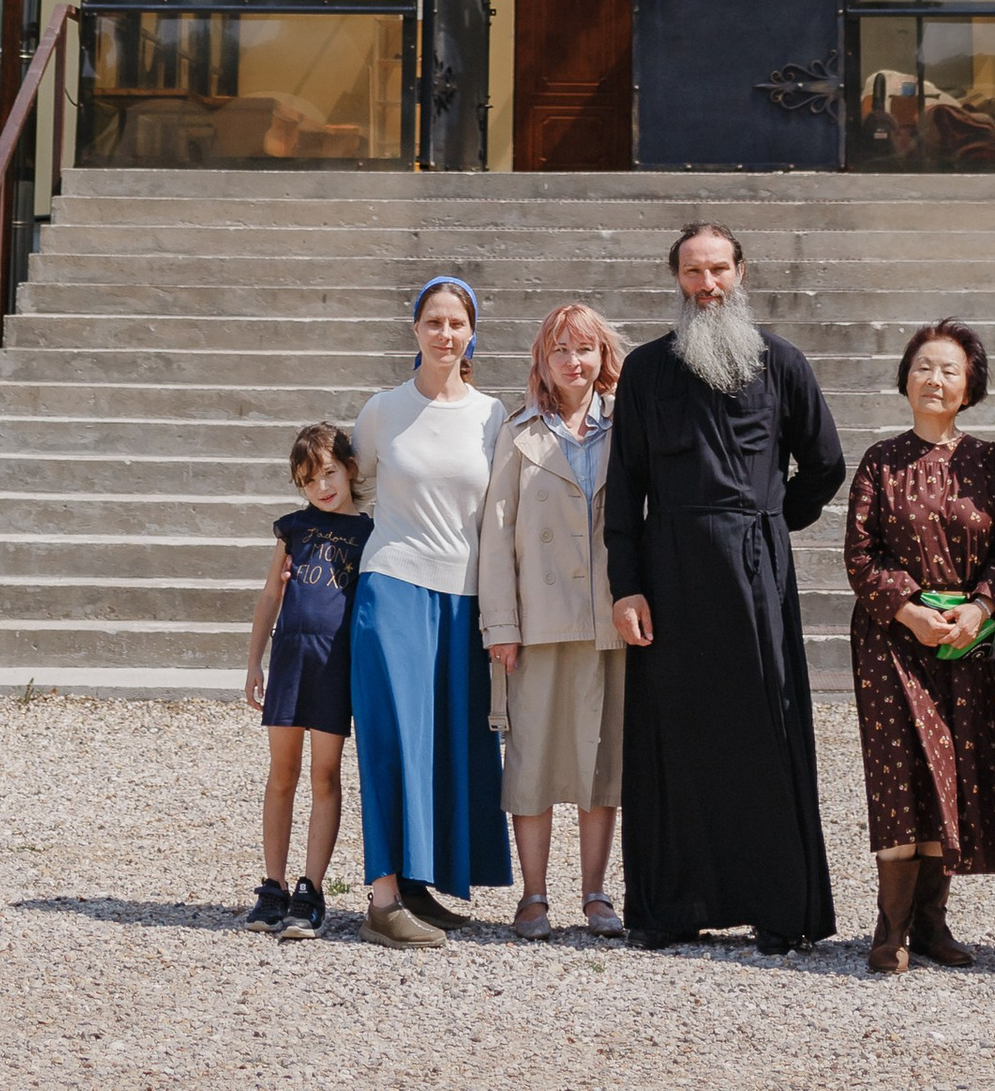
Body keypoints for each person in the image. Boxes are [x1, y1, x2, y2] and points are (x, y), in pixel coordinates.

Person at [606, 218, 845, 953]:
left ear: (741, 273)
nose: (706, 286)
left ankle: (779, 908)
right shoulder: (646, 370)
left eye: (718, 271)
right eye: (692, 273)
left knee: (764, 732)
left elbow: (826, 464)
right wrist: (627, 587)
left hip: (753, 571)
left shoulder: (782, 364)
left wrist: (771, 524)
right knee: (671, 737)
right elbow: (624, 490)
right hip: (670, 572)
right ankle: (672, 908)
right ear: (675, 280)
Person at [348, 275, 513, 949]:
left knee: (450, 744)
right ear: (414, 330)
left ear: (472, 333)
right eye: (434, 321)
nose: (445, 333)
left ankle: (422, 885)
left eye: (457, 323)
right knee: (394, 741)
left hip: (466, 595)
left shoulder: (493, 414)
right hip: (394, 587)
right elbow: (355, 487)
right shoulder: (383, 410)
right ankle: (384, 900)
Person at [843, 319, 995, 974]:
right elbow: (860, 552)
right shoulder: (880, 461)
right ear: (905, 378)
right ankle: (891, 928)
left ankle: (933, 923)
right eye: (922, 367)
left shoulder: (990, 464)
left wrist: (980, 608)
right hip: (893, 641)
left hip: (967, 644)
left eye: (948, 370)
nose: (933, 379)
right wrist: (909, 611)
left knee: (950, 776)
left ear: (969, 387)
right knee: (897, 776)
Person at [480, 302, 629, 940]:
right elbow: (496, 534)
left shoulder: (628, 428)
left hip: (606, 619)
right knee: (533, 758)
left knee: (601, 761)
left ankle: (596, 893)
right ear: (543, 359)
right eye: (561, 350)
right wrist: (501, 625)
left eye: (586, 350)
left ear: (603, 358)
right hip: (537, 622)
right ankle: (534, 895)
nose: (574, 362)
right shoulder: (518, 433)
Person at [240, 419, 371, 939]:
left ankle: (310, 890)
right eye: (310, 479)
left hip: (334, 667)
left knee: (325, 777)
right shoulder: (292, 528)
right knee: (282, 774)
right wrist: (254, 660)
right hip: (291, 661)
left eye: (330, 473)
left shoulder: (369, 533)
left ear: (350, 470)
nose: (323, 486)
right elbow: (271, 594)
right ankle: (272, 885)